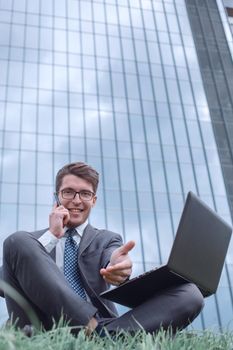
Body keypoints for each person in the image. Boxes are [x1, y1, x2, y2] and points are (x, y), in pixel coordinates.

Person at [1, 162, 204, 335]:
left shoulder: (107, 239)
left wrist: (119, 267)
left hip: (104, 325)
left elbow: (113, 258)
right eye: (69, 192)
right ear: (57, 197)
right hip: (41, 325)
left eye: (85, 194)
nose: (77, 200)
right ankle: (92, 331)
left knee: (191, 293)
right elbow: (5, 284)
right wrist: (52, 237)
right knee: (15, 240)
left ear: (94, 200)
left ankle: (103, 336)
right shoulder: (28, 244)